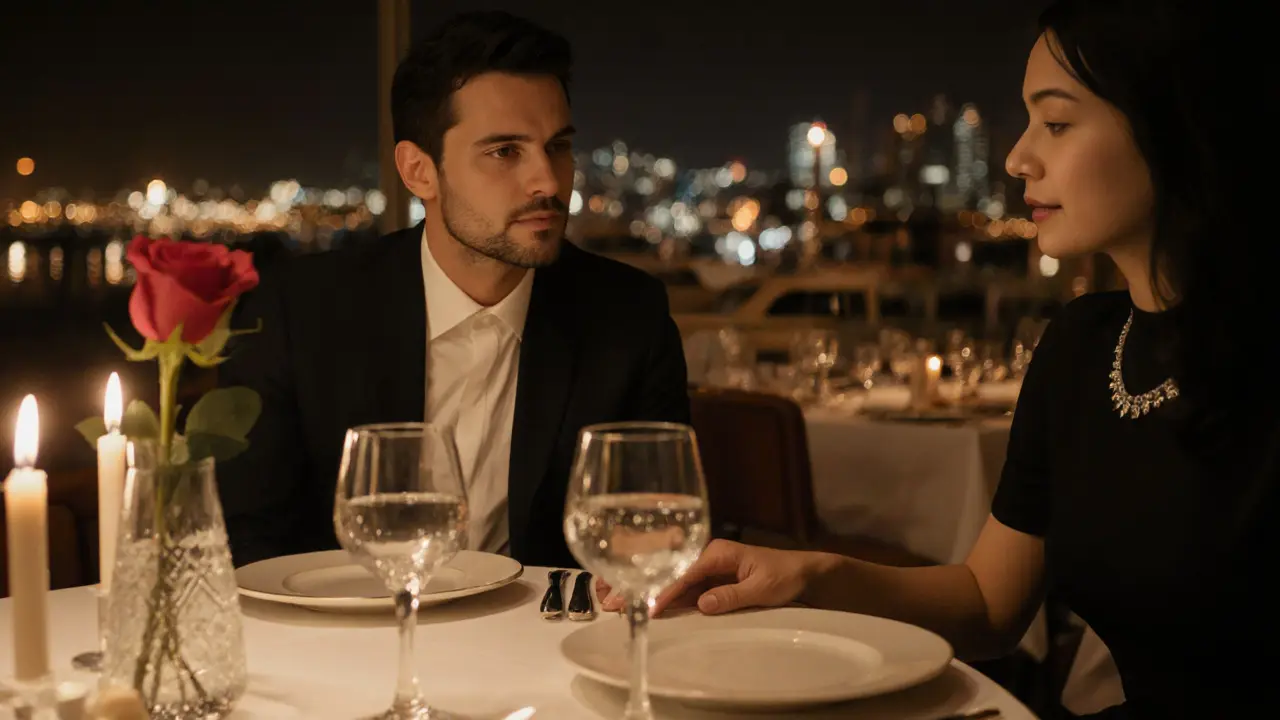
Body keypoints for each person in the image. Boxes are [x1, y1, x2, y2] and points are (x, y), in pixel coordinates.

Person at [601, 2, 1275, 717]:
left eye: (1056, 123)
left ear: (1176, 130)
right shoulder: (1082, 346)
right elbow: (988, 604)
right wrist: (810, 575)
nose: (1018, 158)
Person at [217, 11, 689, 570]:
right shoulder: (302, 312)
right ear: (420, 172)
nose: (548, 180)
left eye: (558, 146)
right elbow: (248, 543)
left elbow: (657, 542)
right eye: (504, 152)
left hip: (545, 644)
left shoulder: (627, 317)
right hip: (348, 640)